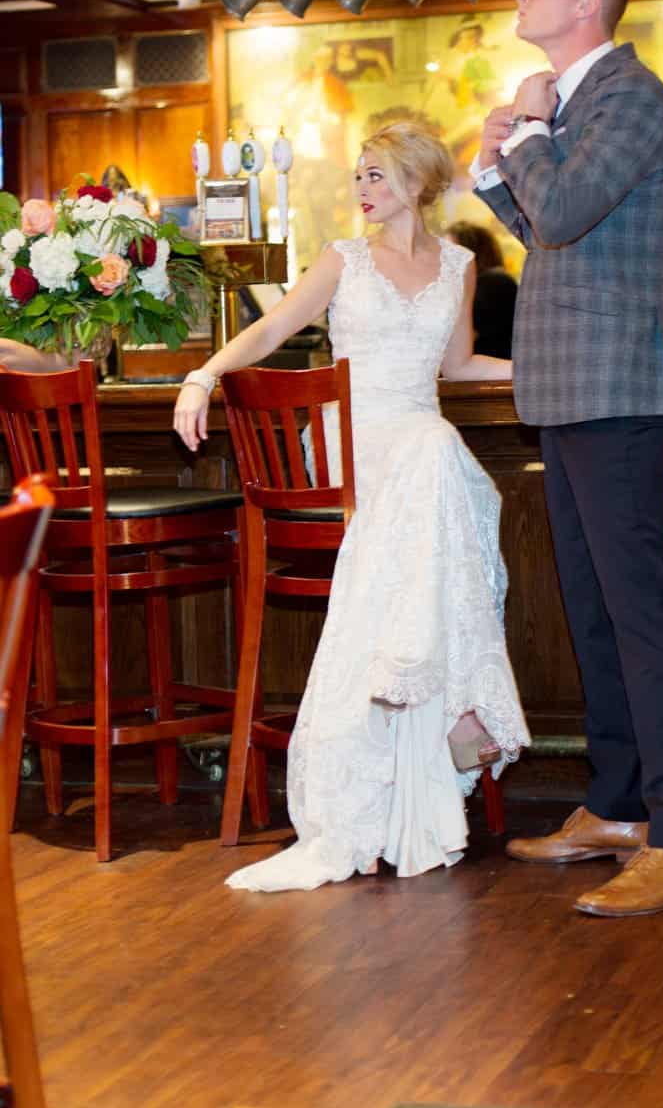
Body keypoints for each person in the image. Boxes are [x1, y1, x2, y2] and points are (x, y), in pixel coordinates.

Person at [173, 122, 530, 891]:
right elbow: (274, 327)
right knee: (440, 461)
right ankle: (460, 713)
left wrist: (537, 367)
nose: (361, 189)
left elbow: (458, 362)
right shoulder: (344, 258)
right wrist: (203, 374)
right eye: (360, 176)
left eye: (374, 175)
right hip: (347, 442)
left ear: (413, 182)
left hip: (415, 441)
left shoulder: (460, 263)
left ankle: (429, 686)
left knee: (444, 464)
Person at [473, 0, 663, 919]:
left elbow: (564, 208)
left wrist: (528, 138)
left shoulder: (629, 96)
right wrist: (499, 155)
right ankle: (617, 805)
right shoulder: (577, 105)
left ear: (582, 5)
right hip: (571, 388)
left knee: (641, 617)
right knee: (594, 612)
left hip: (614, 387)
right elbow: (544, 232)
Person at [447, 221, 518, 359]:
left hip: (487, 371)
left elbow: (463, 334)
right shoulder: (495, 281)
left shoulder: (495, 283)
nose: (442, 256)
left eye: (450, 249)